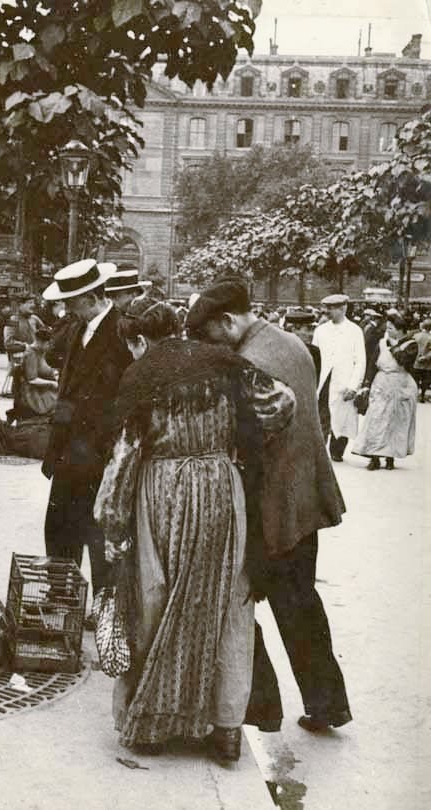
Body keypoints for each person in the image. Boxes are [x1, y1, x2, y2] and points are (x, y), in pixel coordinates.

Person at [94, 301, 289, 765]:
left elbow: (123, 460)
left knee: (153, 601)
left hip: (161, 492)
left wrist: (112, 522)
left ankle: (155, 727)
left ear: (139, 340)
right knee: (226, 604)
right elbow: (282, 401)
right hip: (222, 487)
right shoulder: (223, 363)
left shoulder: (141, 376)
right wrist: (237, 446)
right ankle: (225, 729)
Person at [186, 278, 351, 734]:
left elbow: (247, 444)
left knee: (237, 601)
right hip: (305, 499)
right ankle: (327, 703)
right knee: (301, 605)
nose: (207, 346)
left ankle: (263, 708)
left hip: (273, 504)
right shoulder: (291, 342)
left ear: (227, 321)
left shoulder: (248, 362)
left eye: (209, 336)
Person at [41, 260, 132, 617]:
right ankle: (61, 596)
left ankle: (104, 607)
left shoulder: (121, 332)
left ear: (92, 298)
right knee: (59, 525)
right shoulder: (78, 327)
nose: (67, 308)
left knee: (97, 532)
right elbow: (57, 362)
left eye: (73, 301)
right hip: (68, 450)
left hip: (97, 453)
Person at [352, 312, 419, 470]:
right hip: (381, 384)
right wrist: (367, 383)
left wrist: (393, 346)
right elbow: (373, 363)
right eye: (387, 327)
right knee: (376, 419)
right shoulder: (381, 343)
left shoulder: (411, 344)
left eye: (391, 328)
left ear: (400, 329)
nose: (388, 331)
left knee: (396, 422)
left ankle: (390, 457)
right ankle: (374, 457)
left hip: (401, 385)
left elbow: (404, 360)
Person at [312, 294, 366, 462]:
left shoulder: (355, 331)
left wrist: (353, 386)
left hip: (344, 382)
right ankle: (319, 453)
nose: (327, 311)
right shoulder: (320, 330)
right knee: (322, 416)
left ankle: (337, 451)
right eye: (326, 308)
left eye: (331, 308)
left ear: (343, 308)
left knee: (342, 417)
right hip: (323, 381)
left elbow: (360, 361)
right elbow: (314, 357)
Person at [284, 309, 321, 381]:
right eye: (308, 329)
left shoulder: (315, 352)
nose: (311, 334)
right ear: (294, 330)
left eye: (312, 329)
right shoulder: (282, 351)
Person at [412, 318, 431, 403]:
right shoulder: (430, 337)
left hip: (416, 362)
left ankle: (415, 395)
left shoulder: (416, 336)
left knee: (415, 380)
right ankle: (422, 396)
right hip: (427, 364)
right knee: (425, 381)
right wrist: (426, 357)